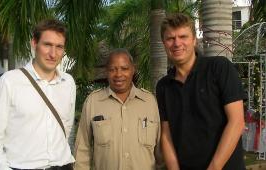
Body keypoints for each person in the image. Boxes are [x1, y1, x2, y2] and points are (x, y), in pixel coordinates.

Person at [156, 13, 246, 170]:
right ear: (164, 43)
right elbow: (166, 135)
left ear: (194, 40)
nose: (177, 43)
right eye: (170, 38)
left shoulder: (219, 68)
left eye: (183, 36)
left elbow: (237, 122)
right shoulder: (163, 86)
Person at [0, 19, 76, 170]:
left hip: (63, 165)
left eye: (59, 47)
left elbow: (68, 128)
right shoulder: (9, 82)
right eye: (47, 45)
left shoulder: (68, 82)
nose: (53, 53)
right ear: (34, 43)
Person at [74, 48, 161, 170]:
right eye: (112, 69)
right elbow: (82, 151)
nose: (118, 74)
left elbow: (160, 152)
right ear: (106, 72)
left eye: (124, 69)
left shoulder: (150, 102)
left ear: (133, 70)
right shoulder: (93, 102)